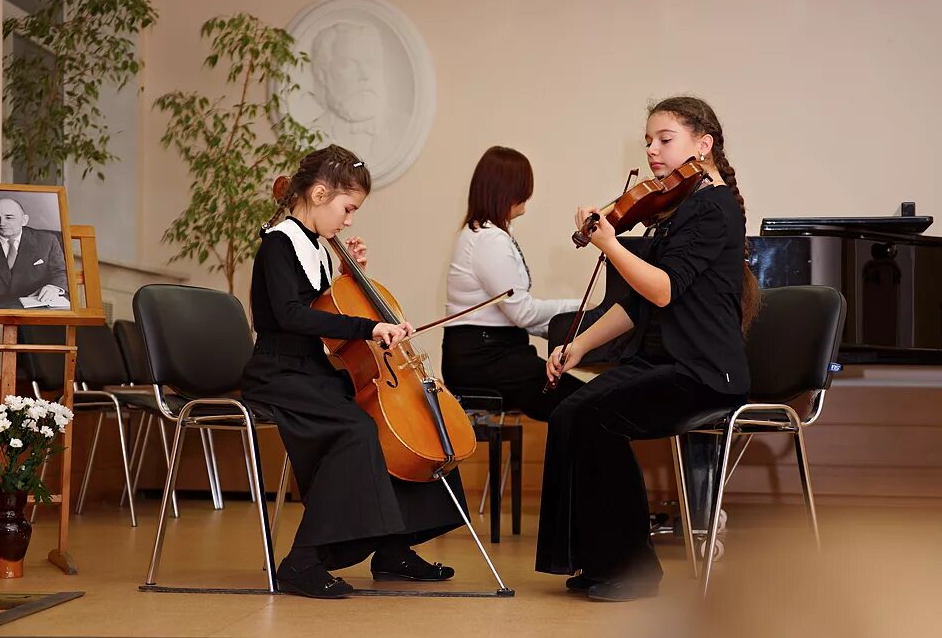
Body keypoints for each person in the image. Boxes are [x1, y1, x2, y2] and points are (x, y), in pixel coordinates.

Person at [535, 97, 761, 602]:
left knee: (597, 416)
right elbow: (639, 303)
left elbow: (663, 289)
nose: (653, 151)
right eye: (649, 142)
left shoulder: (713, 206)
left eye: (665, 139)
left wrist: (611, 245)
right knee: (571, 410)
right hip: (665, 362)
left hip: (704, 372)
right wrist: (577, 345)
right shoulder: (681, 208)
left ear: (703, 145)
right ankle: (597, 561)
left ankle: (633, 570)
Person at [240, 144, 466, 599]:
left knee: (399, 424)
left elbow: (323, 306)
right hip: (278, 373)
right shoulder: (279, 243)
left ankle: (393, 547)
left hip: (312, 370)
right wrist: (370, 324)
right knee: (355, 431)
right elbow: (292, 316)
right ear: (320, 194)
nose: (349, 221)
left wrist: (347, 275)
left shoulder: (316, 247)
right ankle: (303, 561)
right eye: (348, 209)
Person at [441, 146, 585, 422]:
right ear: (507, 191)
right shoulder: (488, 239)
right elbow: (523, 313)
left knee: (578, 402)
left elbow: (516, 315)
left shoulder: (483, 233)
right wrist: (578, 307)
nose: (527, 197)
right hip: (485, 360)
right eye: (523, 188)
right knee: (581, 404)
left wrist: (566, 327)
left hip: (488, 354)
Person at [309, 22, 410, 163]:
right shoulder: (310, 133)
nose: (365, 75)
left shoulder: (405, 129)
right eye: (348, 65)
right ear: (323, 74)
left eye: (371, 63)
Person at [0, 197, 69, 309]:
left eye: (9, 217)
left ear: (24, 220)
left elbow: (61, 271)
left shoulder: (47, 240)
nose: (2, 223)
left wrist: (53, 287)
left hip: (35, 307)